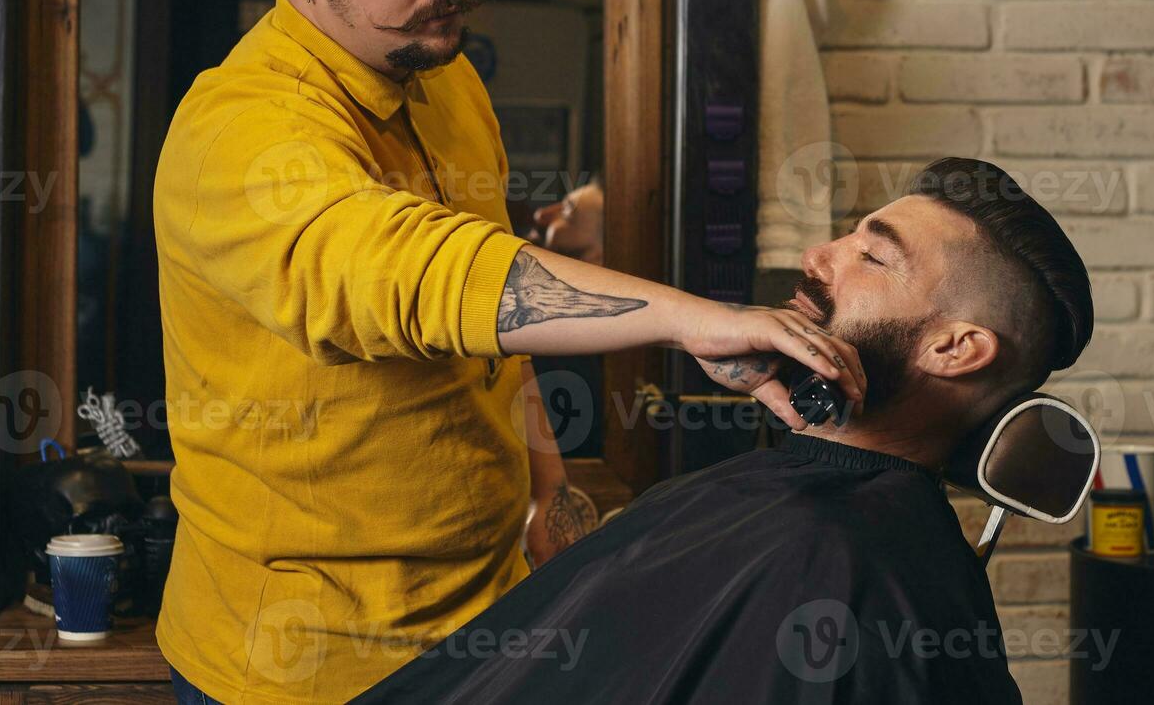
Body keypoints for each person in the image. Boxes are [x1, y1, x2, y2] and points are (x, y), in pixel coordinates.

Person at [151, 0, 866, 704]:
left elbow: (492, 333)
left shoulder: (446, 81)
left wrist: (549, 505)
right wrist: (699, 322)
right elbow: (428, 279)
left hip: (484, 624)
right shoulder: (243, 133)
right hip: (309, 664)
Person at [352, 157, 1094, 704]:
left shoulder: (842, 568)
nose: (818, 256)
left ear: (954, 349)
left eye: (870, 255)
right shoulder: (802, 516)